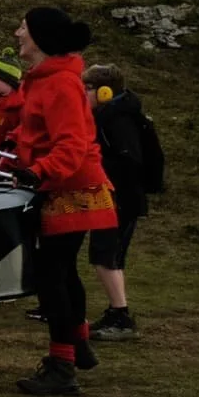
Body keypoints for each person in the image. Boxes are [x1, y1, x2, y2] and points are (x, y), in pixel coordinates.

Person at [7, 6, 117, 395]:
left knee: (51, 276)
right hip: (62, 185)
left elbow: (72, 142)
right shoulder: (45, 80)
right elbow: (43, 131)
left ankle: (62, 365)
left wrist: (39, 171)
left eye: (23, 28)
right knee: (63, 271)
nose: (17, 33)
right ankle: (79, 344)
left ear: (39, 37)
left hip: (69, 188)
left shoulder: (61, 84)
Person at [82, 63, 148, 342]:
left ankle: (120, 315)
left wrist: (93, 163)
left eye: (87, 89)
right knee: (108, 256)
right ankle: (117, 313)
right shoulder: (111, 116)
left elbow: (129, 160)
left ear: (105, 92)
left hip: (120, 199)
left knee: (105, 257)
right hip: (116, 197)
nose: (83, 94)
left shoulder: (117, 120)